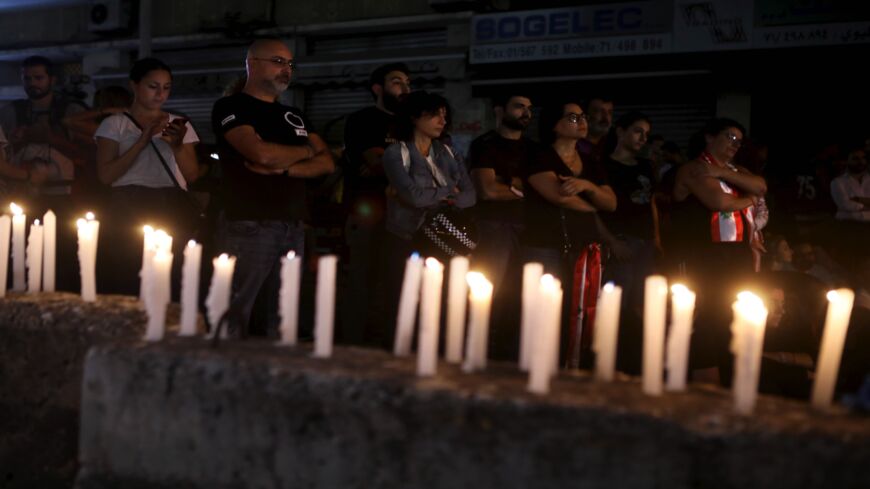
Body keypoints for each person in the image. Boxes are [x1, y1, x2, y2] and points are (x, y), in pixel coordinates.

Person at [211, 38, 334, 338]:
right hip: (250, 222)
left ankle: (274, 374)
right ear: (252, 64)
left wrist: (286, 167)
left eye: (290, 64)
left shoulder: (294, 115)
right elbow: (260, 154)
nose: (286, 70)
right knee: (236, 309)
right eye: (278, 61)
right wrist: (306, 152)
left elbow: (328, 163)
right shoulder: (232, 106)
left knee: (284, 313)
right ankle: (223, 371)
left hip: (292, 224)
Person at [670, 118, 767, 382]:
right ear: (709, 137)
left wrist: (724, 173)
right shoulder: (695, 168)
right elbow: (719, 201)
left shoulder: (735, 169)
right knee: (705, 321)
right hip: (703, 256)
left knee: (733, 317)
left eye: (739, 140)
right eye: (729, 137)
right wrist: (748, 199)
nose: (734, 144)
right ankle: (705, 384)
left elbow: (761, 185)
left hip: (736, 257)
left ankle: (732, 378)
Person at [95, 58, 201, 296]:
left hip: (170, 203)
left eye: (166, 87)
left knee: (171, 276)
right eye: (153, 86)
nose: (160, 94)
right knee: (129, 272)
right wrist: (142, 141)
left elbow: (191, 174)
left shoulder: (178, 124)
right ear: (135, 85)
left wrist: (177, 145)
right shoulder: (115, 124)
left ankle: (167, 327)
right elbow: (106, 174)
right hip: (129, 204)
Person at [522, 101, 616, 366]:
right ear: (555, 125)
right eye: (573, 118)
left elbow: (611, 203)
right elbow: (558, 196)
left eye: (583, 116)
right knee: (544, 314)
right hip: (545, 245)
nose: (582, 121)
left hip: (583, 247)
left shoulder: (590, 162)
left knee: (579, 313)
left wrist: (586, 185)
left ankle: (571, 368)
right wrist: (593, 205)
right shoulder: (540, 156)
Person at [381, 90, 475, 347]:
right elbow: (413, 197)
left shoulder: (448, 152)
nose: (442, 120)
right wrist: (447, 193)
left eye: (444, 115)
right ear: (414, 117)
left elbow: (470, 196)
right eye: (434, 114)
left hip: (443, 237)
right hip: (407, 237)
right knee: (408, 301)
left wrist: (436, 195)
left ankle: (440, 351)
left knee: (446, 302)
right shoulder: (396, 152)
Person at [342, 62, 411, 346]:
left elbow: (426, 166)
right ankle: (354, 346)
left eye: (408, 82)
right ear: (377, 88)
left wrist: (393, 162)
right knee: (362, 282)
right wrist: (402, 164)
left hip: (404, 216)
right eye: (397, 81)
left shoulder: (411, 123)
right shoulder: (362, 120)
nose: (405, 88)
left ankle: (393, 345)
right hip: (367, 213)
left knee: (398, 282)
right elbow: (375, 160)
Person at [600, 111, 656, 375]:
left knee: (642, 301)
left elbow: (652, 203)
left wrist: (656, 237)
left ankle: (635, 361)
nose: (643, 138)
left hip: (645, 241)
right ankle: (611, 359)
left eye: (646, 133)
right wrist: (611, 241)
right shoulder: (604, 166)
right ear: (620, 131)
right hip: (621, 239)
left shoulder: (645, 166)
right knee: (617, 301)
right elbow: (594, 211)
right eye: (637, 131)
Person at [0, 55, 87, 209]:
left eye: (38, 78)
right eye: (27, 79)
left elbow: (87, 153)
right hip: (23, 191)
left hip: (65, 193)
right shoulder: (11, 111)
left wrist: (52, 138)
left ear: (52, 80)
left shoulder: (72, 110)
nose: (32, 83)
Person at [576, 96, 613, 166]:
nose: (606, 117)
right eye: (599, 111)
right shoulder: (573, 145)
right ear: (585, 116)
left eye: (610, 112)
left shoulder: (614, 143)